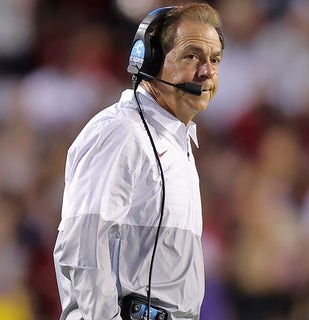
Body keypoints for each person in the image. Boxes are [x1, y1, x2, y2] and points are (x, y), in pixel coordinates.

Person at [53, 3, 224, 320]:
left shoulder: (176, 142)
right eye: (192, 56)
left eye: (214, 60)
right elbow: (82, 247)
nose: (208, 72)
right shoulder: (122, 133)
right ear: (149, 60)